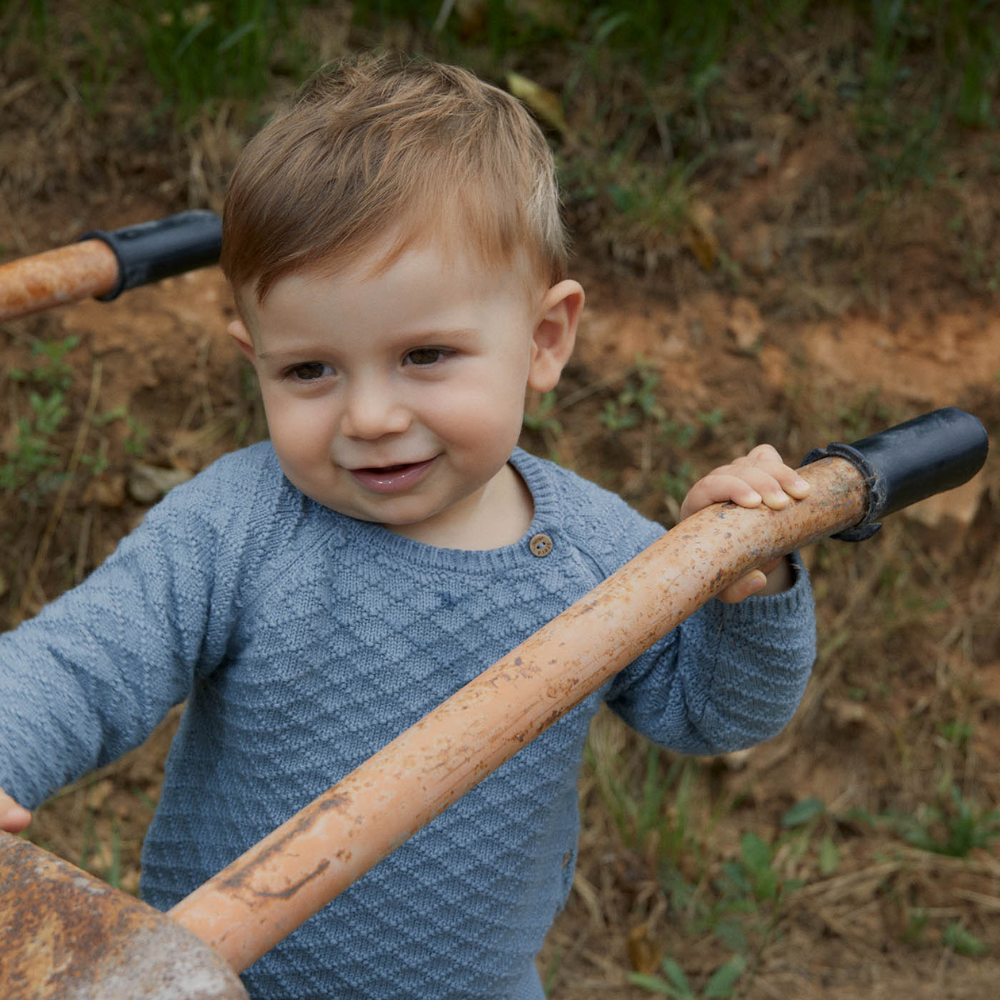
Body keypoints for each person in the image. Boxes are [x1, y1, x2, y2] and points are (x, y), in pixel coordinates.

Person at [0, 53, 815, 1000]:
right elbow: (80, 660)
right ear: (252, 359)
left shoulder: (597, 554)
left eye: (425, 355)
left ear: (544, 341)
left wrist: (747, 587)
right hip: (219, 980)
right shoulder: (240, 524)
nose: (372, 417)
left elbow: (714, 712)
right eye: (310, 371)